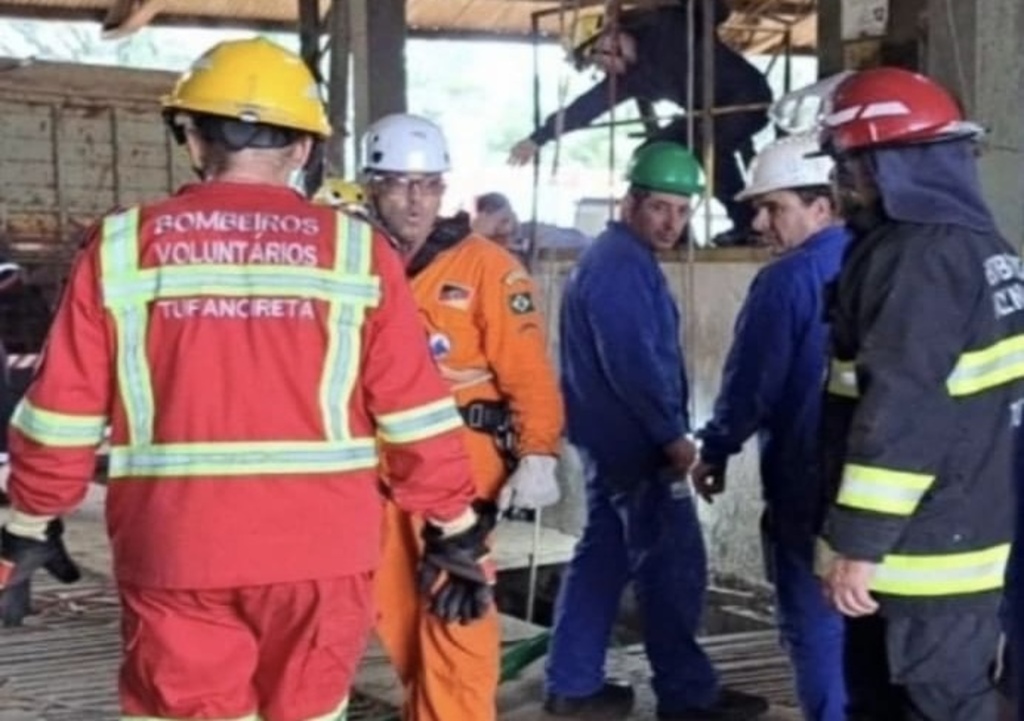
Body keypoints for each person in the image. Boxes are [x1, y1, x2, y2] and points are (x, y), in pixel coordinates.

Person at [0, 37, 496, 720]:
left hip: (176, 549)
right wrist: (455, 527)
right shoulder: (357, 251)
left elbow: (63, 411)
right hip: (323, 553)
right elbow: (413, 409)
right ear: (303, 148)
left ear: (192, 137)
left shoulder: (120, 247)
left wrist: (29, 518)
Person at [816, 66, 1024, 721]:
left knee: (942, 702)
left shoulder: (918, 258)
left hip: (927, 546)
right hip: (967, 522)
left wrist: (858, 546)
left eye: (851, 165)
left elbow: (900, 416)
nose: (844, 184)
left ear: (888, 165)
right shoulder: (980, 245)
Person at [546, 140, 768, 720]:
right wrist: (671, 435)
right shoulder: (620, 267)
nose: (673, 223)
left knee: (602, 558)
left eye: (683, 210)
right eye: (660, 208)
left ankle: (572, 683)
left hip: (608, 442)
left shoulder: (615, 259)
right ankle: (687, 695)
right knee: (673, 567)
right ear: (630, 203)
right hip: (638, 447)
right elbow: (633, 363)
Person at [357, 113, 565, 721]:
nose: (415, 201)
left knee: (457, 608)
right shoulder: (354, 261)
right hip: (375, 465)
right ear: (372, 187)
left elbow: (527, 370)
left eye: (428, 186)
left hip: (460, 464)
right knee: (395, 611)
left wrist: (538, 450)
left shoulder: (486, 268)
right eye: (399, 185)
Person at [690, 133, 849, 721]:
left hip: (807, 482)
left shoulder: (789, 280)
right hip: (890, 486)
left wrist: (716, 448)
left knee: (816, 623)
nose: (759, 223)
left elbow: (751, 383)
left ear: (821, 206)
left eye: (773, 207)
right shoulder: (887, 262)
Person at [508, 1, 772, 245]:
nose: (602, 70)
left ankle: (748, 225)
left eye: (598, 62)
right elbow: (586, 107)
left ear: (609, 41)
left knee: (708, 145)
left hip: (748, 97)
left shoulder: (666, 25)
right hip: (706, 114)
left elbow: (717, 10)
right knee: (654, 151)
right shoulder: (629, 79)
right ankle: (676, 233)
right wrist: (538, 138)